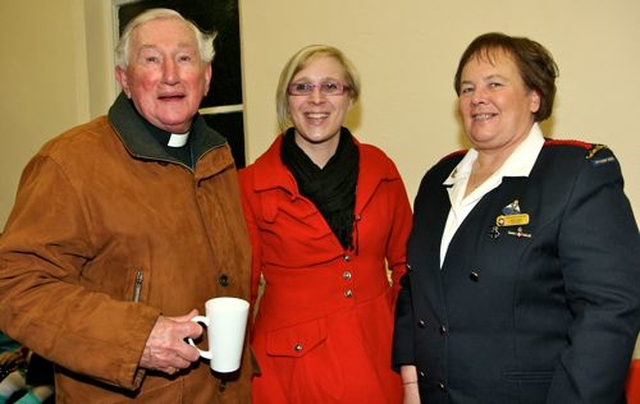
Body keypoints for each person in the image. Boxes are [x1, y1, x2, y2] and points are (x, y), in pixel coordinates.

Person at [0, 8, 251, 403]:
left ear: (205, 78)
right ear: (125, 80)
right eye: (151, 59)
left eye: (184, 58)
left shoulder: (218, 156)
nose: (170, 74)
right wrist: (137, 339)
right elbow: (16, 287)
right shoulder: (70, 163)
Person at [393, 32, 640, 403]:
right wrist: (412, 387)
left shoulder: (577, 174)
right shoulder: (437, 181)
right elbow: (416, 289)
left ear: (534, 97)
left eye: (495, 84)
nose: (478, 98)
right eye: (467, 88)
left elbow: (609, 312)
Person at [239, 44, 413, 403]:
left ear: (350, 98)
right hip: (289, 373)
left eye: (331, 86)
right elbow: (242, 290)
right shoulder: (250, 184)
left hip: (377, 361)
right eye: (302, 87)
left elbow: (407, 268)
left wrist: (399, 336)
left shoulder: (382, 169)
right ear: (286, 100)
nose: (316, 99)